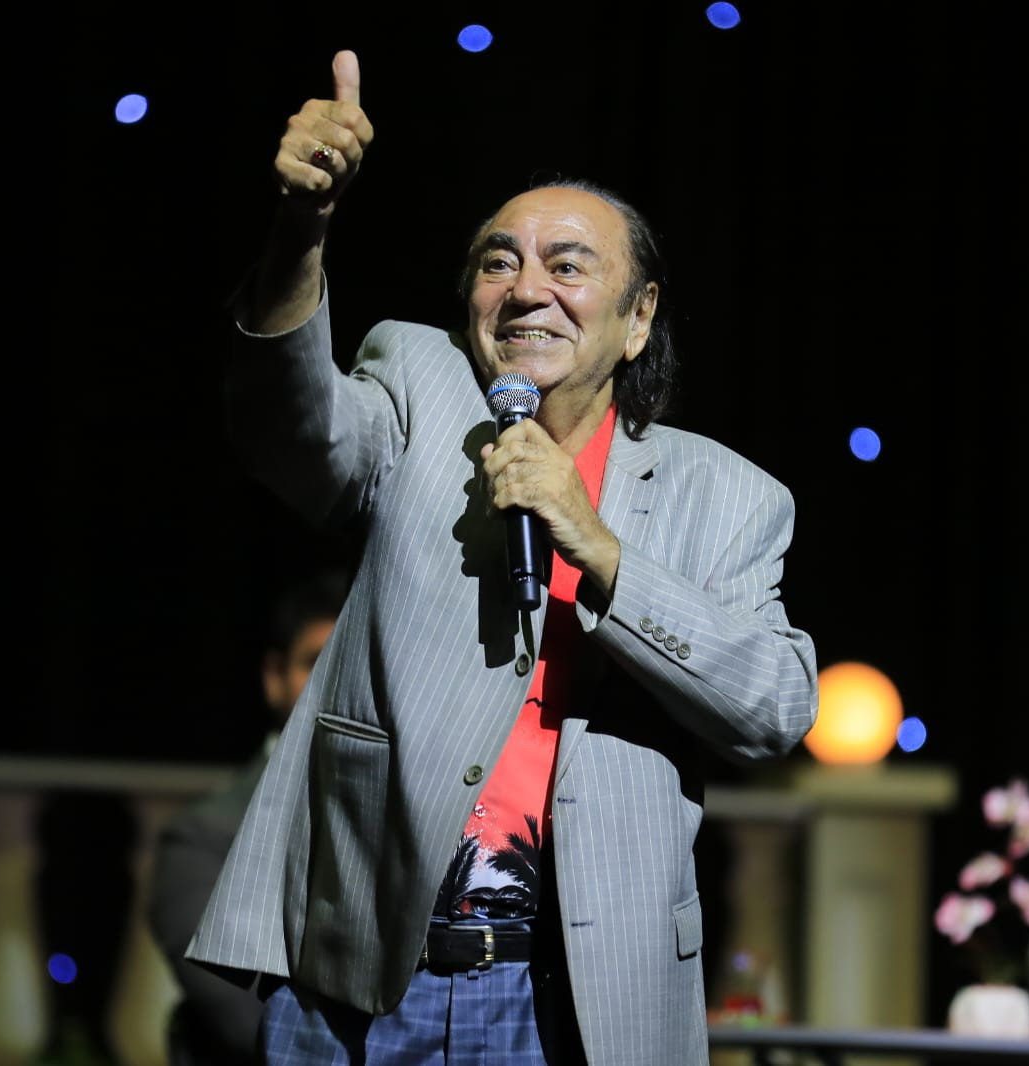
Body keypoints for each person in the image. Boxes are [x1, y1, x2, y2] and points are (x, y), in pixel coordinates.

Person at [183, 49, 819, 1066]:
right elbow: (289, 429)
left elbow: (775, 706)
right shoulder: (419, 382)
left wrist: (599, 547)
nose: (526, 291)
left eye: (568, 266)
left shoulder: (727, 495)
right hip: (363, 974)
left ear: (638, 318)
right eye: (497, 262)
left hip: (578, 996)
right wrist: (303, 227)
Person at [147, 568, 349, 1066]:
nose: (337, 681)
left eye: (353, 660)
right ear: (274, 677)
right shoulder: (204, 835)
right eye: (317, 661)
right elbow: (245, 1018)